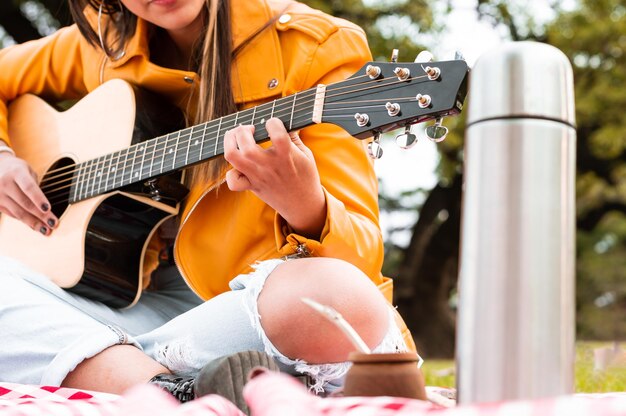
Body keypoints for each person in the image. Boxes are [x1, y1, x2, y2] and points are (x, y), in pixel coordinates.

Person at [0, 0, 414, 409]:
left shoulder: (314, 45)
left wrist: (306, 206)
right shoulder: (105, 39)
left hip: (239, 311)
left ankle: (105, 366)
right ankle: (171, 386)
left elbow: (360, 261)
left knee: (334, 296)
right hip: (135, 305)